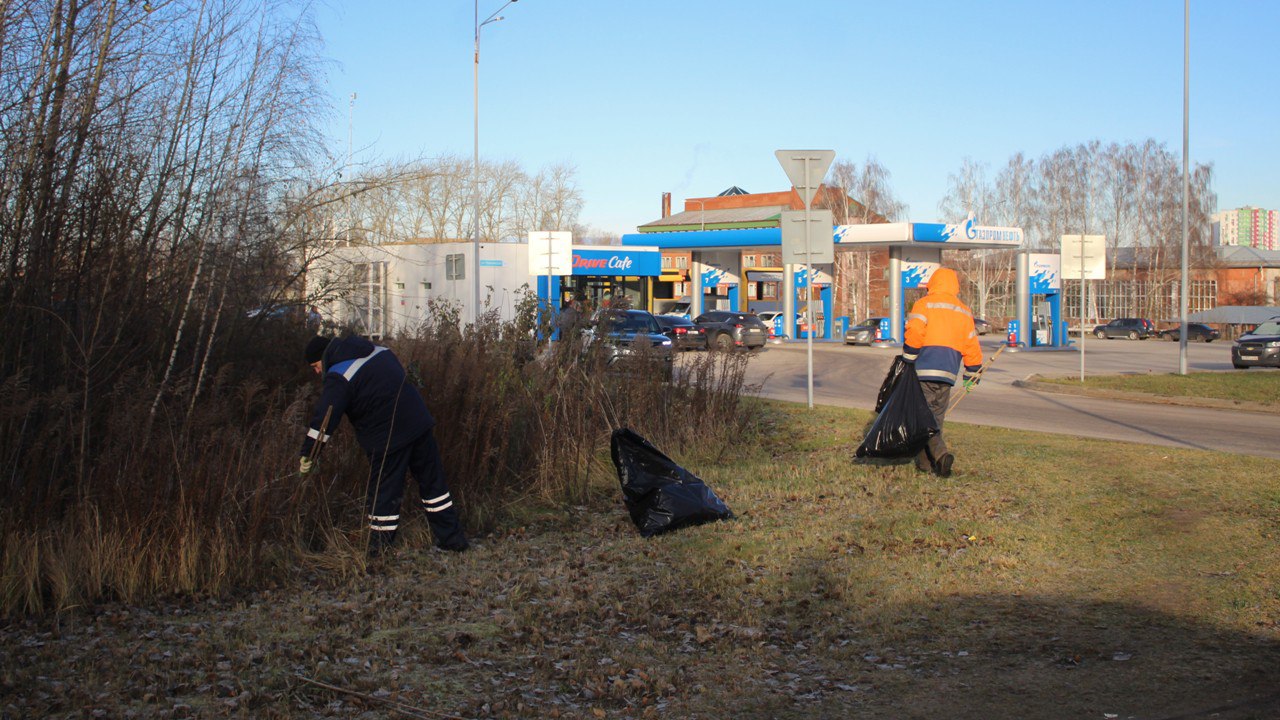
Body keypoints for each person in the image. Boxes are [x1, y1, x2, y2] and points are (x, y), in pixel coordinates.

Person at [300, 335, 469, 556]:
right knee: (433, 485)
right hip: (419, 424)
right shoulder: (377, 350)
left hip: (388, 438)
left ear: (323, 357)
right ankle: (453, 540)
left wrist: (309, 454)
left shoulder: (339, 375)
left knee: (384, 493)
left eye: (315, 366)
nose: (317, 372)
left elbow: (325, 419)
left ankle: (378, 552)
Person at [902, 268, 983, 478]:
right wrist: (972, 373)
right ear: (954, 286)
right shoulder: (964, 311)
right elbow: (971, 345)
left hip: (924, 368)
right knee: (935, 417)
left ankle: (940, 454)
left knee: (922, 418)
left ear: (932, 283)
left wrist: (909, 357)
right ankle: (927, 464)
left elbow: (915, 332)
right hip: (948, 373)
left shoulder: (924, 305)